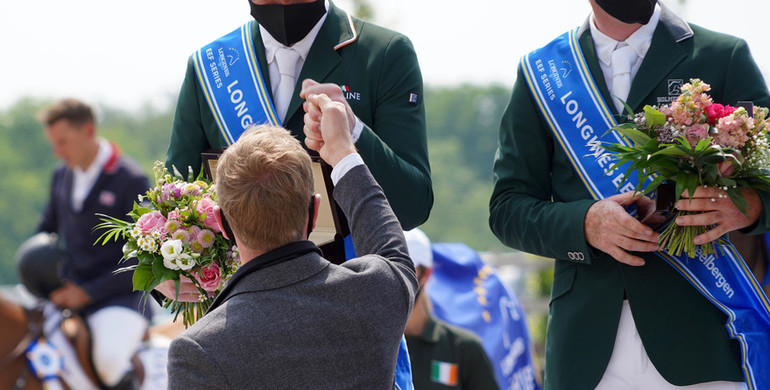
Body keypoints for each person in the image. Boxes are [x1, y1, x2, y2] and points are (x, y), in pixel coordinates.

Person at [488, 1, 770, 389]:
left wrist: (749, 208)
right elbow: (508, 209)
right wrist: (584, 224)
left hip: (706, 336)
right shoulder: (542, 70)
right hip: (587, 349)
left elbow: (765, 172)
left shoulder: (723, 56)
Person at [166, 93, 417, 389]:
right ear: (314, 212)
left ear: (222, 225)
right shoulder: (375, 292)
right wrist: (342, 151)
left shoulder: (199, 351)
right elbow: (390, 247)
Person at [164, 0, 432, 237]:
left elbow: (412, 208)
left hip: (347, 283)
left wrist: (353, 131)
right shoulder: (209, 66)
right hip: (245, 289)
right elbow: (171, 207)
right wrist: (169, 281)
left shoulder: (384, 53)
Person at [36, 98, 152, 389]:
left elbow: (144, 258)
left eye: (63, 142)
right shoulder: (61, 175)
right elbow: (46, 232)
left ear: (87, 130)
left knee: (109, 359)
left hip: (121, 300)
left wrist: (87, 293)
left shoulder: (131, 179)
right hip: (68, 293)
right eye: (53, 144)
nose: (57, 152)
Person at [403, 228, 500, 390]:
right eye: (386, 270)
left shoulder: (464, 348)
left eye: (406, 269)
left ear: (427, 273)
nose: (396, 278)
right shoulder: (370, 348)